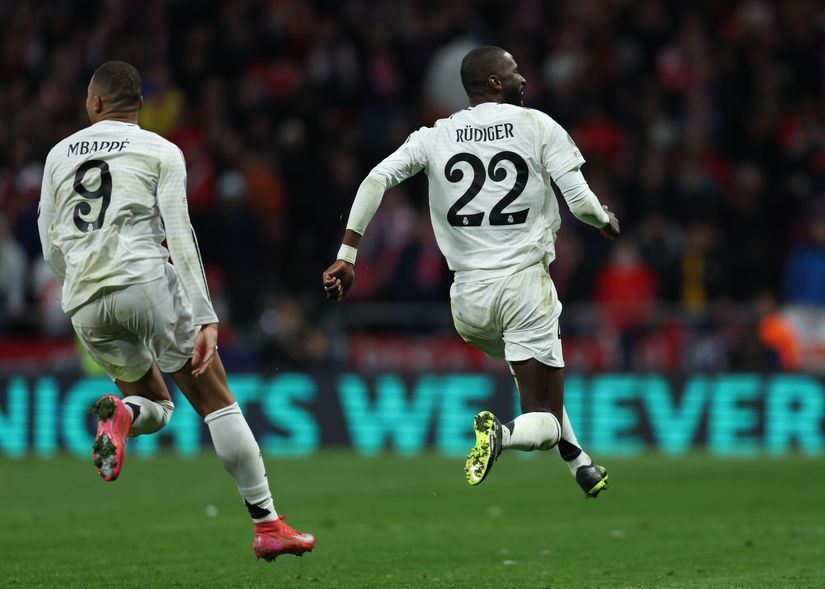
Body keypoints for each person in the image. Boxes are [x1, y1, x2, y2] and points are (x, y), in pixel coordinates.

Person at [37, 61, 315, 560]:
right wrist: (206, 314)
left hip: (83, 299)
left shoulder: (58, 156)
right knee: (217, 403)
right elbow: (181, 237)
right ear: (139, 106)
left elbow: (48, 241)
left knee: (157, 407)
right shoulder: (161, 150)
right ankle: (268, 524)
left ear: (94, 103)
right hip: (145, 282)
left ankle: (122, 412)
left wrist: (75, 286)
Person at [323, 46, 619, 497]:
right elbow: (580, 203)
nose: (523, 77)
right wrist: (605, 220)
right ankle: (500, 436)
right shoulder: (538, 125)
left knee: (537, 378)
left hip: (468, 302)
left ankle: (579, 462)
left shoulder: (435, 135)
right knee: (541, 416)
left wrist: (348, 255)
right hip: (523, 286)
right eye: (514, 70)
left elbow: (374, 180)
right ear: (496, 82)